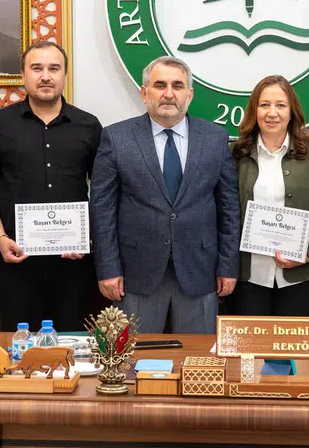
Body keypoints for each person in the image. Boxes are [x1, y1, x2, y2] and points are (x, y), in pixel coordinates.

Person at [90, 56, 240, 334]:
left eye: (177, 86)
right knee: (134, 357)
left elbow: (229, 208)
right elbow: (102, 210)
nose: (169, 93)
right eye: (159, 85)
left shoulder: (215, 138)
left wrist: (228, 266)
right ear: (144, 92)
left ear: (189, 94)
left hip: (200, 270)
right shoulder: (116, 138)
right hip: (135, 273)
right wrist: (108, 268)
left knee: (197, 357)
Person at [0, 41, 101, 332]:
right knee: (19, 345)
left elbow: (103, 192)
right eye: (37, 68)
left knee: (71, 344)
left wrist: (88, 237)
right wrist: (0, 238)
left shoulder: (89, 126)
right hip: (15, 262)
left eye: (54, 68)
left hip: (73, 265)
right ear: (23, 74)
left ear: (65, 74)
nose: (45, 76)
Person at [231, 75, 309, 318]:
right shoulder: (236, 152)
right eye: (264, 105)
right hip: (249, 276)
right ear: (254, 110)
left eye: (281, 105)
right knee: (251, 342)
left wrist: (307, 252)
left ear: (292, 111)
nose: (272, 113)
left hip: (302, 275)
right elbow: (227, 212)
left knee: (295, 341)